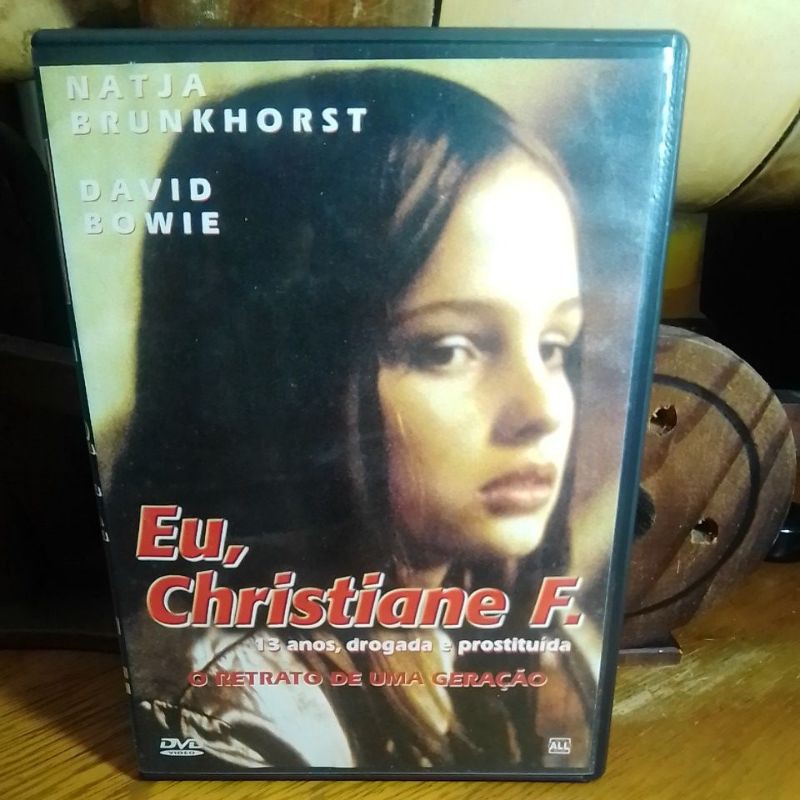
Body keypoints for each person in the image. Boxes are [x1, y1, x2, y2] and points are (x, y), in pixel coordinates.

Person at [113, 68, 594, 772]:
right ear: (284, 374)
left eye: (554, 347)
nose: (543, 410)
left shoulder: (518, 620)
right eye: (446, 349)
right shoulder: (237, 703)